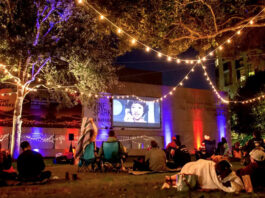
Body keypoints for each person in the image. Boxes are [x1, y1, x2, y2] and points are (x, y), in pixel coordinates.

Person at [163, 159, 244, 192]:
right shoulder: (215, 169)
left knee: (190, 177)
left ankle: (170, 179)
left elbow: (235, 186)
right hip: (202, 168)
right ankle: (171, 179)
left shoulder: (230, 176)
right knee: (191, 175)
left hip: (201, 168)